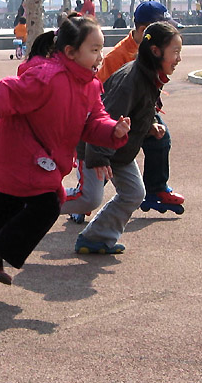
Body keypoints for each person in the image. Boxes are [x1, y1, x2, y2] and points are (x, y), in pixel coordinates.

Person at [0, 15, 129, 289]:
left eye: (102, 48)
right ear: (70, 52)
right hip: (20, 155)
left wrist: (113, 131)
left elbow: (93, 122)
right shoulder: (47, 76)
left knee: (2, 213)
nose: (101, 56)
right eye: (94, 50)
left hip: (36, 157)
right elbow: (2, 93)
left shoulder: (90, 85)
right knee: (48, 204)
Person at [63, 21, 182, 254]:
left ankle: (96, 238)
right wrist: (99, 158)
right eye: (175, 52)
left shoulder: (150, 77)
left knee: (134, 193)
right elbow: (103, 118)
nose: (179, 59)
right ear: (156, 52)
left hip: (120, 150)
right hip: (96, 148)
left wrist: (152, 126)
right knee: (88, 199)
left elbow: (140, 112)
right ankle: (32, 205)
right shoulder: (132, 80)